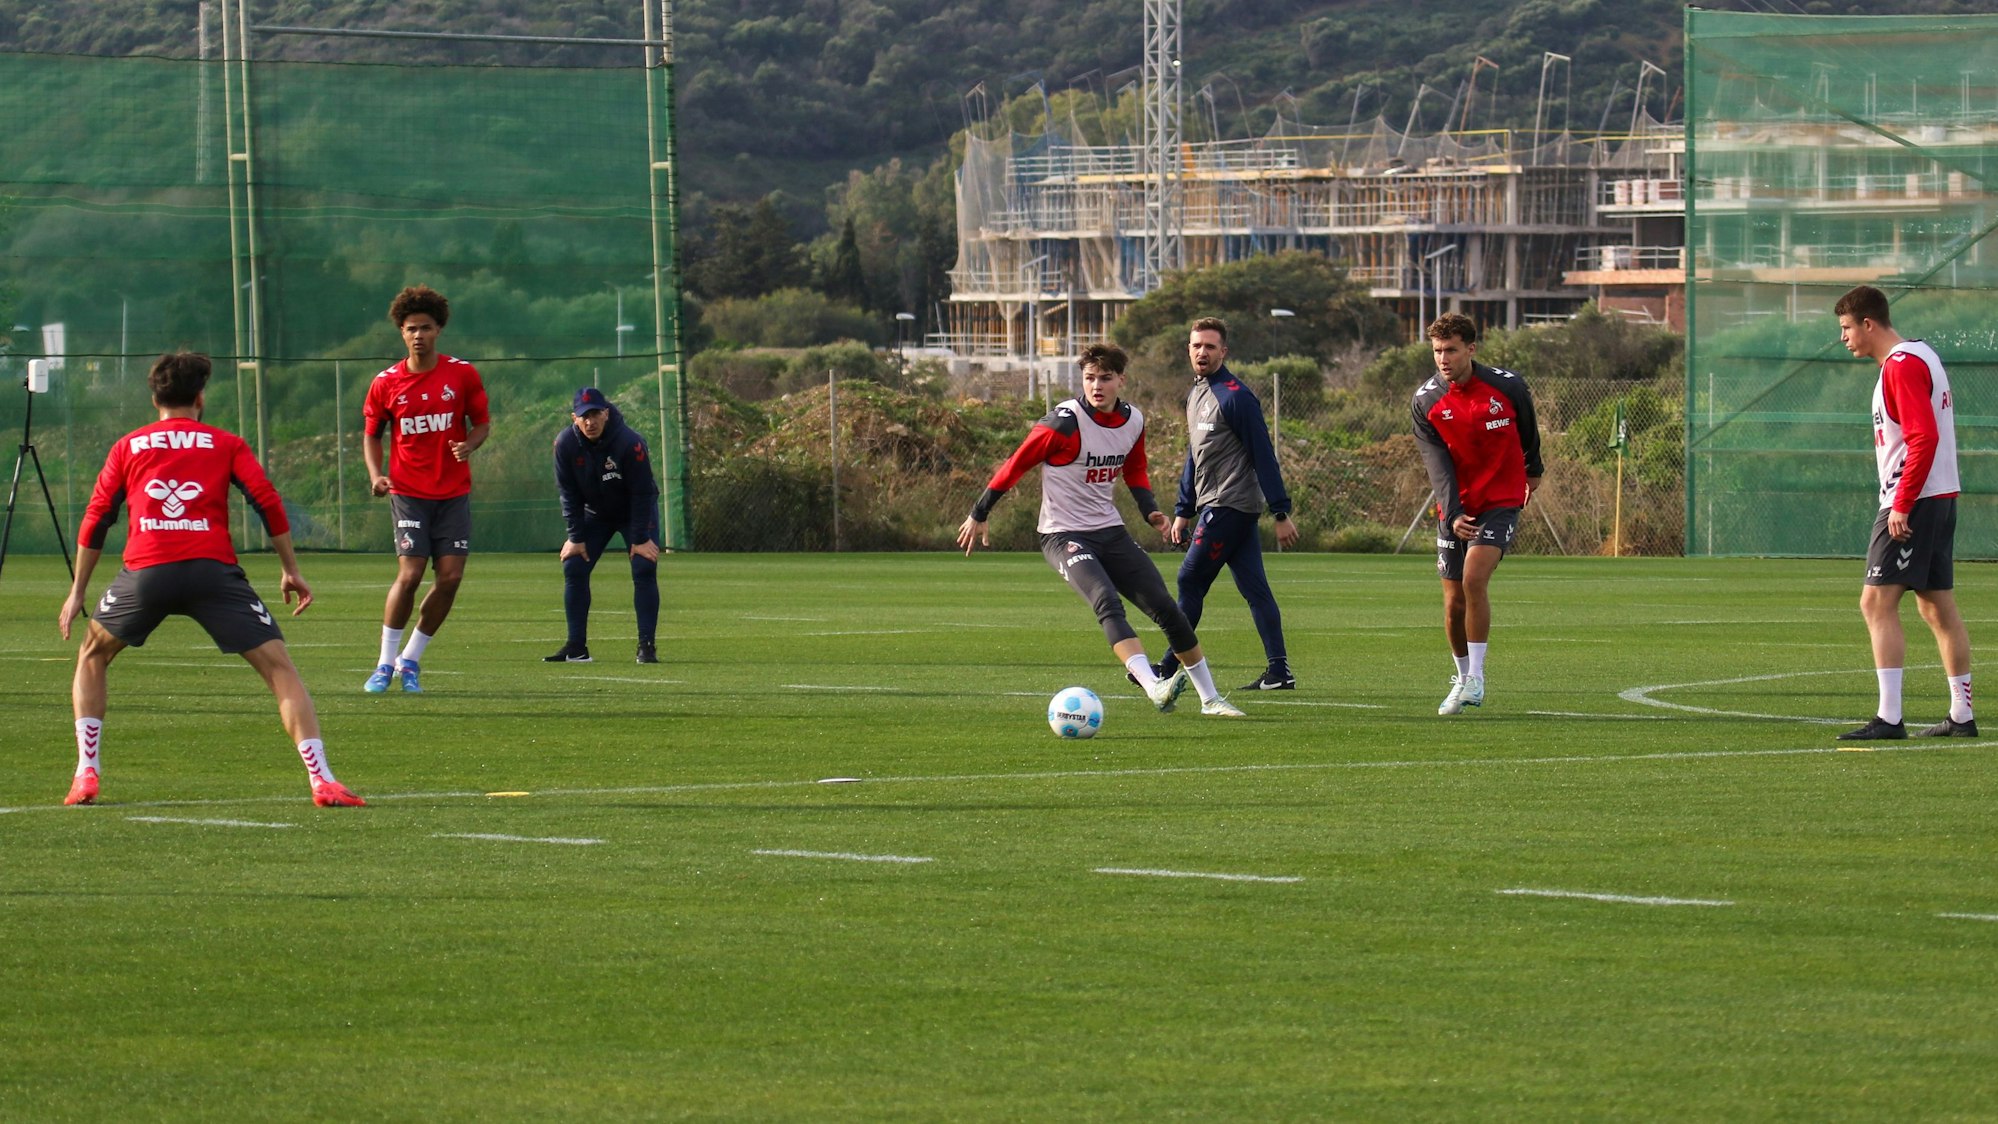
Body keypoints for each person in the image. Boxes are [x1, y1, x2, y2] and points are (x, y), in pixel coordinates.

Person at [55, 352, 364, 808]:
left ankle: (86, 774)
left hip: (146, 572)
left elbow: (98, 517)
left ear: (155, 397)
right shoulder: (225, 443)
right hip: (212, 572)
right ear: (200, 398)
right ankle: (323, 780)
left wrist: (77, 590)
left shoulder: (129, 445)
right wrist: (291, 569)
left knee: (92, 655)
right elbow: (267, 502)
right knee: (280, 670)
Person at [957, 343, 1246, 718]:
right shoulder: (1064, 422)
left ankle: (1210, 699)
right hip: (1063, 535)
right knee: (1106, 600)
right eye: (1090, 378)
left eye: (1105, 378)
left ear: (1120, 380)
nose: (1097, 386)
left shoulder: (1134, 421)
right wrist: (980, 511)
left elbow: (1134, 468)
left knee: (1167, 610)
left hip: (1110, 531)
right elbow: (1017, 463)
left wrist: (1150, 512)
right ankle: (1153, 685)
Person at [1833, 285, 1974, 740]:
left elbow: (1923, 438)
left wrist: (1902, 502)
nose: (1844, 338)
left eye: (1847, 328)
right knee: (1936, 607)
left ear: (1868, 324)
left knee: (1875, 602)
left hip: (1914, 501)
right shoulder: (1921, 354)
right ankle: (1961, 715)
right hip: (1940, 497)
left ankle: (1890, 718)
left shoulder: (1901, 366)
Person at [1157, 316, 1300, 692]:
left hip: (1229, 506)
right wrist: (1183, 510)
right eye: (1196, 345)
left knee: (1190, 578)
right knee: (1255, 589)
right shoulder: (1197, 394)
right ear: (1188, 350)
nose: (1202, 352)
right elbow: (1195, 456)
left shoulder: (1236, 396)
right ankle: (1279, 671)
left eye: (1210, 346)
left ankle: (1168, 667)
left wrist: (1280, 512)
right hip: (1213, 506)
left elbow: (1262, 455)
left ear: (1224, 351)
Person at [360, 285, 490, 694]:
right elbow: (371, 434)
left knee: (450, 577)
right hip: (409, 491)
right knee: (411, 572)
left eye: (427, 328)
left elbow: (482, 423)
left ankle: (410, 660)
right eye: (411, 328)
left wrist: (469, 444)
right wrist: (375, 474)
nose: (419, 335)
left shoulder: (462, 374)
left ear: (439, 330)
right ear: (401, 332)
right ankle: (383, 664)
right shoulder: (385, 383)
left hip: (452, 494)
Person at [1411, 313, 1543, 716]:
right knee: (1452, 603)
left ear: (1471, 348)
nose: (1443, 358)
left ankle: (1478, 679)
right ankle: (1461, 677)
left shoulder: (1508, 386)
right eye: (1437, 351)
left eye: (1451, 350)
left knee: (1473, 577)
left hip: (1501, 499)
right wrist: (1453, 514)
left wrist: (1532, 474)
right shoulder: (1426, 401)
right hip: (1456, 506)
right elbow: (1437, 466)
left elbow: (1529, 433)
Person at [545, 387, 663, 664]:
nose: (591, 421)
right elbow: (568, 494)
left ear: (606, 413)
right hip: (596, 513)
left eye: (596, 413)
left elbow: (644, 492)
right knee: (574, 565)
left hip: (634, 510)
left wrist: (640, 538)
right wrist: (575, 537)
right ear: (574, 418)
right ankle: (576, 647)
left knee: (644, 566)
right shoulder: (565, 445)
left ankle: (646, 646)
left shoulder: (629, 443)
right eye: (584, 416)